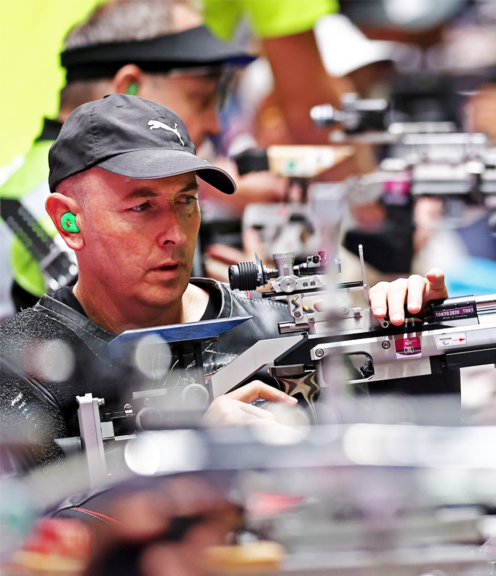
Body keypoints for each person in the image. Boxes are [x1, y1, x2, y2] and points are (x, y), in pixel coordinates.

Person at [0, 94, 447, 473]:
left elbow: (416, 463)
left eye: (186, 201)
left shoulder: (281, 328)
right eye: (141, 207)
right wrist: (190, 461)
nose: (175, 231)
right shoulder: (21, 366)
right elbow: (30, 542)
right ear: (68, 221)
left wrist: (414, 333)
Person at [0, 0, 301, 318]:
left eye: (186, 202)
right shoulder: (46, 204)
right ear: (128, 89)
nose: (215, 124)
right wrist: (253, 307)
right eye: (201, 99)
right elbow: (137, 351)